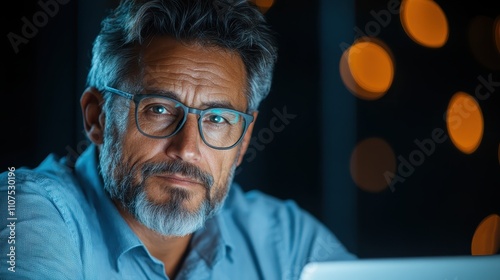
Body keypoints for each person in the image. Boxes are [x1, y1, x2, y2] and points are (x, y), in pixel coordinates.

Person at [0, 0, 356, 279]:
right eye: (158, 110)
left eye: (217, 119)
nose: (186, 148)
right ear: (97, 116)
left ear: (244, 140)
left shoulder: (287, 241)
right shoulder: (24, 211)